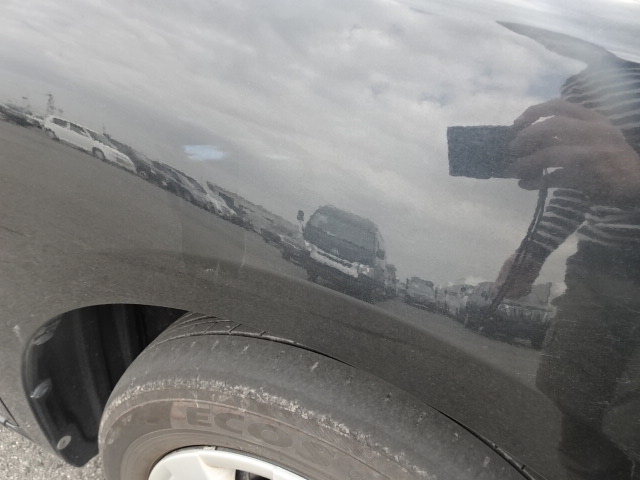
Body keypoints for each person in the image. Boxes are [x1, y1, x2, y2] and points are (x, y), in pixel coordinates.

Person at [498, 51, 640, 479]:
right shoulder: (583, 84)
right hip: (600, 268)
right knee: (578, 414)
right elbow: (583, 179)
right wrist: (533, 248)